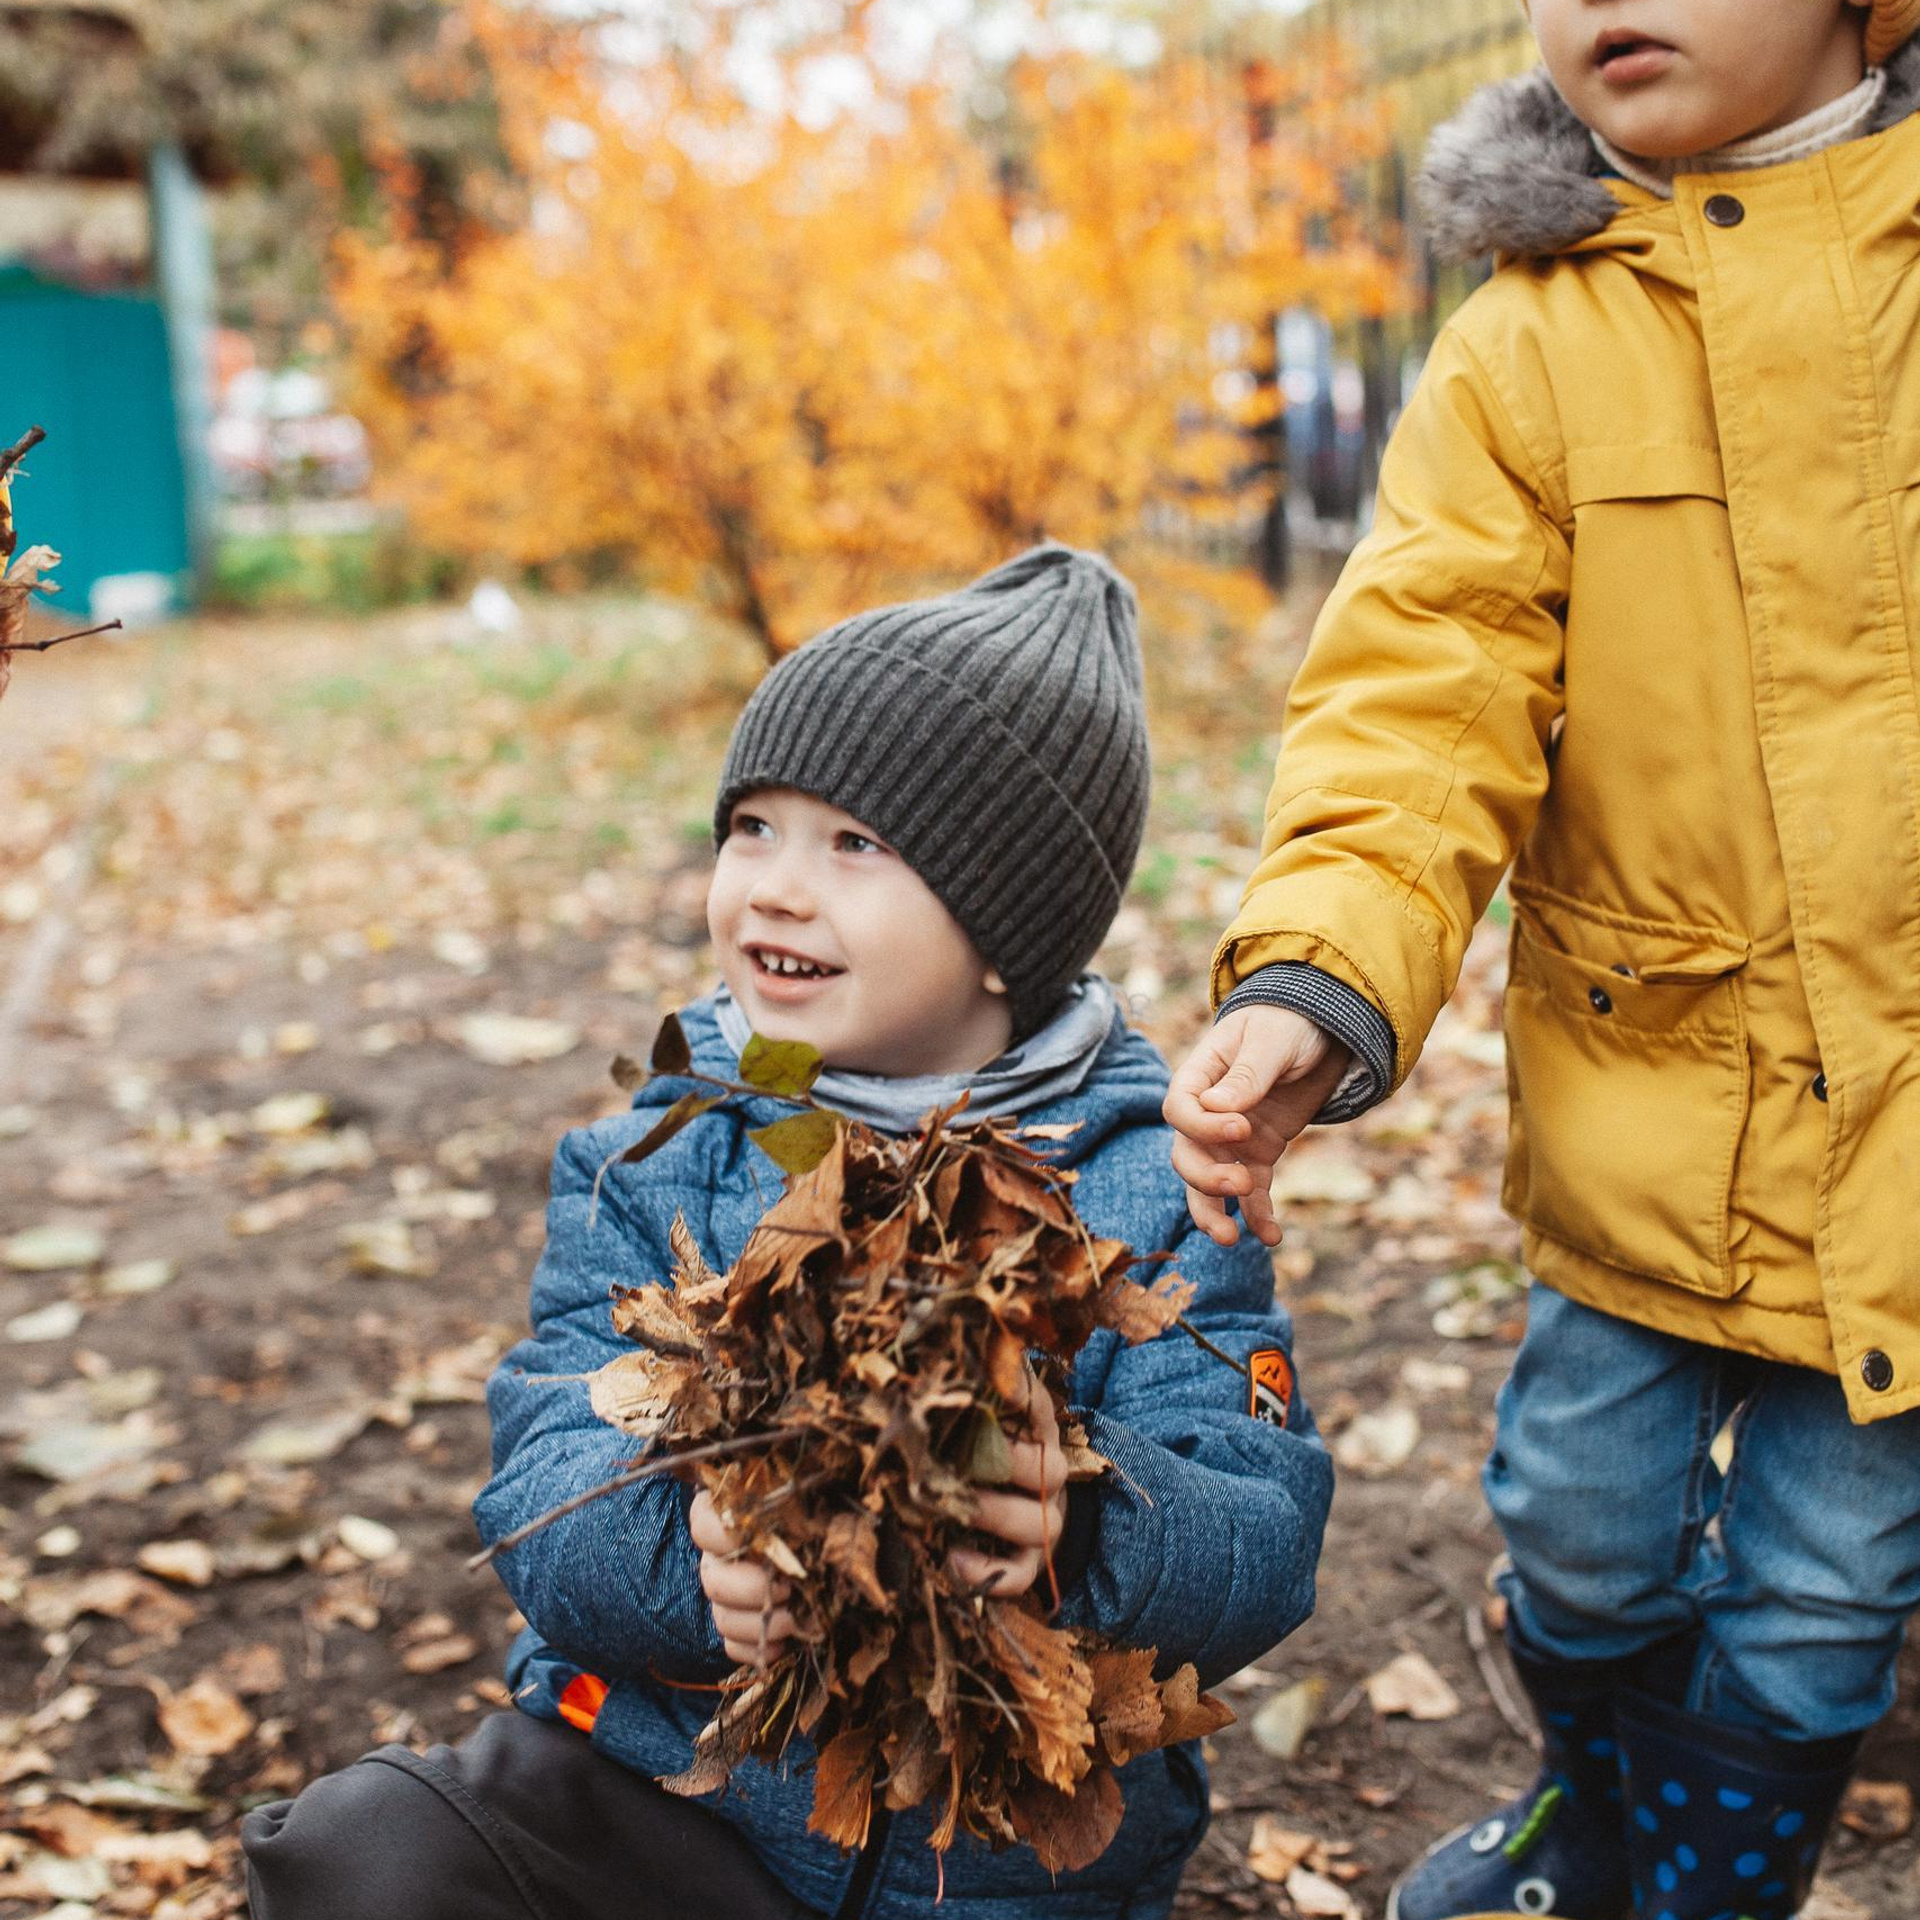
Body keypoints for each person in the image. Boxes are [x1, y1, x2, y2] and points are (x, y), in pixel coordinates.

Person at [241, 545, 1334, 1920]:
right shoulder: (666, 1155)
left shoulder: (1156, 1188)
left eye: (854, 846)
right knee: (368, 1854)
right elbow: (542, 1469)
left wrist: (1081, 1527)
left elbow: (1264, 1530)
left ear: (1009, 927)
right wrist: (689, 1564)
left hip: (982, 1879)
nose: (770, 885)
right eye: (750, 826)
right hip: (669, 1813)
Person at [1164, 4, 1920, 1917]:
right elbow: (1426, 692)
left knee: (1831, 1585)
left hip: (1911, 1150)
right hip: (1654, 1104)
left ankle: (1702, 1892)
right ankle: (1601, 1826)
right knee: (1580, 1542)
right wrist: (1316, 977)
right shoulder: (1532, 336)